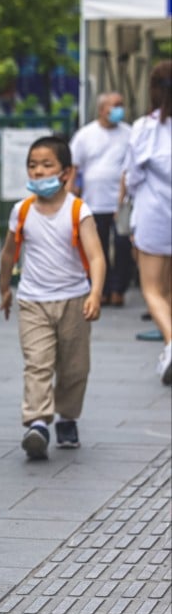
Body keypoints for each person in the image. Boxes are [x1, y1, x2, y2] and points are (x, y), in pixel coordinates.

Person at [0, 136, 106, 459]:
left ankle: (68, 418)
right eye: (33, 165)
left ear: (65, 172)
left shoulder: (78, 209)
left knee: (75, 368)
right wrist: (5, 288)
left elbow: (97, 256)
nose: (39, 171)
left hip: (74, 299)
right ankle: (38, 423)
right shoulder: (22, 210)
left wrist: (96, 292)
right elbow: (7, 254)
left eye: (47, 165)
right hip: (32, 301)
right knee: (38, 363)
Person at [124, 61, 172, 385]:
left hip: (154, 216)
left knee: (152, 289)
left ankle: (171, 344)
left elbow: (133, 177)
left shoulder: (144, 127)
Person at [69, 92, 134, 306]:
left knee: (124, 246)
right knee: (98, 248)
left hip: (121, 203)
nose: (119, 109)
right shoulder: (85, 135)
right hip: (93, 202)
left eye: (121, 105)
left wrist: (123, 199)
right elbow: (74, 169)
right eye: (115, 105)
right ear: (101, 109)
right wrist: (70, 199)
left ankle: (118, 288)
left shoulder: (129, 134)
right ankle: (102, 290)